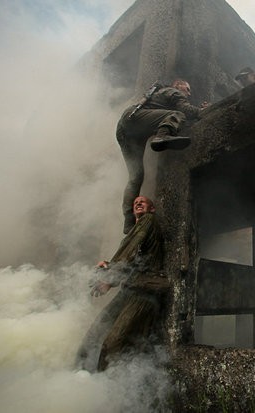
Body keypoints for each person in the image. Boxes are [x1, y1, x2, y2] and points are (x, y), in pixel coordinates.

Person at [76, 196, 170, 372]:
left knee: (112, 343)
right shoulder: (137, 232)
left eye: (143, 201)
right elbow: (131, 262)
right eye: (135, 203)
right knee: (94, 333)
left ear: (152, 209)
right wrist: (111, 279)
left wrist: (109, 275)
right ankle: (77, 377)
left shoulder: (148, 221)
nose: (138, 203)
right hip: (130, 288)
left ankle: (103, 387)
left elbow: (129, 248)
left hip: (145, 292)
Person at [116, 79, 208, 234]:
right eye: (188, 88)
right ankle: (162, 136)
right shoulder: (174, 92)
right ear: (178, 86)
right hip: (136, 120)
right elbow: (184, 110)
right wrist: (203, 111)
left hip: (124, 129)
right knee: (177, 114)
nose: (189, 93)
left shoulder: (157, 96)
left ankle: (128, 221)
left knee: (136, 177)